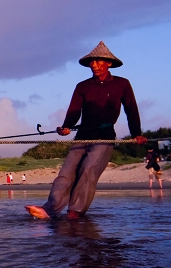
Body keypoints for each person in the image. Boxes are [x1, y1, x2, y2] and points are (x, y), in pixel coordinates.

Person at [26, 42, 146, 220]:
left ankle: (75, 210)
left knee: (89, 169)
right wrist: (66, 126)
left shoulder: (122, 84)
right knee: (66, 172)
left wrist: (136, 133)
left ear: (109, 64)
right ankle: (49, 210)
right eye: (92, 62)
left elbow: (131, 110)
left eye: (98, 61)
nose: (94, 65)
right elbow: (74, 110)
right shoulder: (82, 86)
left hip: (104, 137)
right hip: (82, 135)